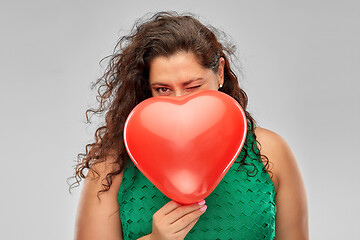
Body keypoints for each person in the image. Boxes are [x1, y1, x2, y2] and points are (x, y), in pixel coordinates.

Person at [70, 11, 308, 240]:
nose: (179, 103)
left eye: (192, 86)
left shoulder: (270, 151)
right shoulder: (112, 167)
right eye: (163, 89)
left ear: (220, 74)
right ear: (147, 88)